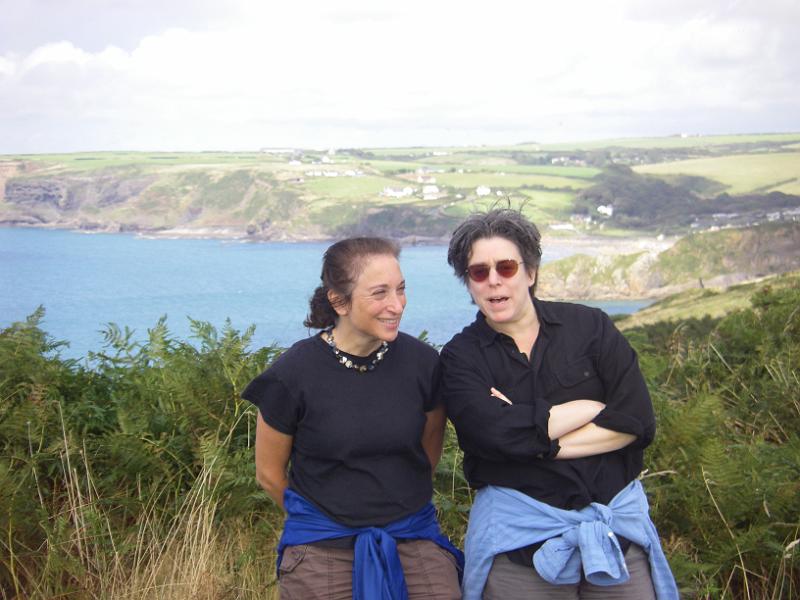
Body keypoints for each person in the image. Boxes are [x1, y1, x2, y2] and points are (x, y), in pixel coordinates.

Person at [440, 209, 678, 600]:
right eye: (479, 272)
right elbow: (491, 437)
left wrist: (530, 438)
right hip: (519, 551)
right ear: (469, 283)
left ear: (530, 272)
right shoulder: (461, 357)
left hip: (616, 541)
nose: (494, 279)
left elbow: (636, 420)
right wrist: (591, 408)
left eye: (506, 266)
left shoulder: (591, 327)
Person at [242, 237, 463, 600]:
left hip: (411, 535)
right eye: (380, 293)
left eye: (401, 289)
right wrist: (330, 519)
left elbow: (427, 456)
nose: (397, 305)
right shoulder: (292, 375)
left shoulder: (424, 365)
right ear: (338, 301)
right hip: (322, 548)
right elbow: (269, 476)